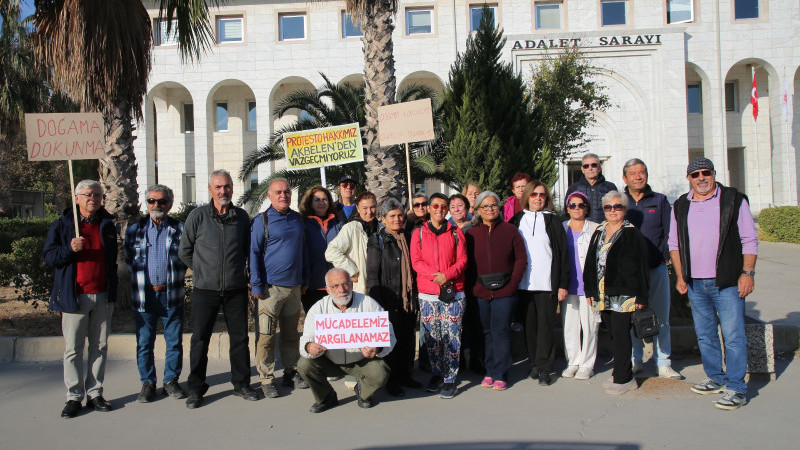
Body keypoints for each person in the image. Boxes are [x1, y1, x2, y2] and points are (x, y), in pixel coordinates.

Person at [669, 157, 758, 410]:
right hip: (696, 283)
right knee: (706, 335)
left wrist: (747, 273)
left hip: (728, 281)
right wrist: (680, 276)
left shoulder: (733, 199)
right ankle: (715, 378)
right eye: (695, 174)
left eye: (705, 173)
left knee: (733, 336)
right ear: (688, 178)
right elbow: (674, 244)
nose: (701, 178)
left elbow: (749, 239)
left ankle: (737, 388)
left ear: (714, 174)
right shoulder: (681, 205)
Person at [179, 170, 259, 408]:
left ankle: (242, 384)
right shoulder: (198, 216)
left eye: (227, 186)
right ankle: (196, 388)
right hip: (205, 290)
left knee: (240, 338)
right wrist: (201, 270)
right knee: (200, 339)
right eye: (218, 187)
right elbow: (185, 250)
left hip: (235, 289)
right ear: (210, 190)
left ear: (232, 188)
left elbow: (248, 250)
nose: (223, 191)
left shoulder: (242, 217)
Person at [42, 180, 117, 418]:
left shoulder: (107, 224)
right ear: (76, 198)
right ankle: (74, 396)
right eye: (87, 194)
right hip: (75, 297)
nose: (93, 198)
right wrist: (69, 248)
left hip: (103, 295)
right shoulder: (63, 224)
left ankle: (95, 393)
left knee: (100, 347)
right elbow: (49, 257)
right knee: (73, 349)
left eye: (97, 194)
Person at [297, 269, 395, 413]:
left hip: (361, 360)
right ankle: (326, 396)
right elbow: (306, 339)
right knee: (304, 364)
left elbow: (390, 335)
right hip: (330, 361)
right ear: (327, 289)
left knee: (380, 373)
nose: (341, 290)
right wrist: (309, 347)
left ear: (351, 284)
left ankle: (363, 392)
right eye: (335, 286)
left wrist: (378, 347)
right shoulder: (318, 308)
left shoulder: (368, 304)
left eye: (345, 284)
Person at [124, 184, 187, 403]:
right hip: (144, 296)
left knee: (174, 342)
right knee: (144, 343)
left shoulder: (180, 228)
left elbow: (187, 256)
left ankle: (171, 381)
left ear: (169, 204)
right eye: (151, 201)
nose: (156, 205)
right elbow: (128, 259)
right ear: (146, 203)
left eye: (161, 201)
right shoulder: (135, 230)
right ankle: (148, 383)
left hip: (172, 294)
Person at [622, 158, 683, 380]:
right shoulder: (620, 202)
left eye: (642, 172)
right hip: (629, 273)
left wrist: (664, 256)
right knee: (631, 316)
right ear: (625, 178)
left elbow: (670, 233)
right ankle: (635, 359)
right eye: (633, 173)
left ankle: (664, 362)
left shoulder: (660, 201)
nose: (638, 176)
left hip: (656, 269)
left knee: (662, 317)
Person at [584, 191, 650, 396]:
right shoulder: (600, 230)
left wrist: (641, 297)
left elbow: (641, 267)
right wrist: (590, 289)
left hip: (624, 294)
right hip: (603, 294)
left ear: (625, 208)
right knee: (612, 333)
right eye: (608, 207)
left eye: (617, 206)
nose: (613, 211)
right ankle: (620, 371)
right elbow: (590, 262)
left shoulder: (631, 233)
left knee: (621, 335)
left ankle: (625, 379)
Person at [249, 178, 310, 398]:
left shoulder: (297, 220)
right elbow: (254, 253)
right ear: (269, 196)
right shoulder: (262, 221)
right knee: (266, 336)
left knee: (291, 334)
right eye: (278, 192)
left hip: (294, 288)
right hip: (269, 290)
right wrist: (256, 284)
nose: (283, 195)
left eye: (286, 192)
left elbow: (303, 251)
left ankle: (290, 371)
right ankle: (266, 378)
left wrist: (305, 278)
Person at [509, 181, 569, 386]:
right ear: (526, 196)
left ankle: (545, 368)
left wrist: (562, 284)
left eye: (542, 195)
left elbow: (562, 254)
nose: (538, 198)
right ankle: (534, 364)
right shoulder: (517, 220)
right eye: (534, 194)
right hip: (524, 285)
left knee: (546, 327)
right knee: (530, 327)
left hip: (547, 285)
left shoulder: (553, 221)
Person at [467, 191, 527, 391]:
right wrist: (473, 286)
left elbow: (521, 259)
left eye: (493, 205)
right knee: (485, 332)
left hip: (505, 292)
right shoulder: (471, 233)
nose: (490, 209)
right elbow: (466, 263)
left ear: (499, 208)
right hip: (480, 291)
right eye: (484, 206)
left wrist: (512, 284)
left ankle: (501, 372)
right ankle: (489, 370)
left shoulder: (510, 230)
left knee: (500, 331)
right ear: (477, 210)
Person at [411, 193, 468, 399]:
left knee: (452, 336)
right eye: (435, 205)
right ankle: (436, 374)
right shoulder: (418, 233)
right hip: (428, 294)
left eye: (444, 206)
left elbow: (462, 260)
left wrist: (447, 275)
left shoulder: (455, 233)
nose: (439, 209)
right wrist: (435, 276)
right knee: (433, 339)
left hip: (453, 292)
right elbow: (416, 261)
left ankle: (450, 378)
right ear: (429, 208)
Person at [366, 198, 420, 396]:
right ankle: (392, 380)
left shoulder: (408, 237)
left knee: (407, 340)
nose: (397, 219)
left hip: (408, 299)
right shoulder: (377, 240)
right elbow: (371, 275)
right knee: (392, 343)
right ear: (383, 219)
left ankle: (406, 375)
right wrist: (378, 304)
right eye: (392, 216)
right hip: (389, 300)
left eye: (400, 215)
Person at [560, 191, 600, 380]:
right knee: (570, 326)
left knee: (590, 326)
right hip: (568, 285)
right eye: (572, 205)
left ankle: (587, 364)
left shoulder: (595, 228)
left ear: (587, 208)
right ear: (567, 208)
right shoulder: (562, 228)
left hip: (589, 287)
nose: (577, 208)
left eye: (581, 205)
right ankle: (573, 361)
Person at [325, 191, 379, 295]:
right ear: (358, 208)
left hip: (380, 287)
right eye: (365, 208)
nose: (369, 211)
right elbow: (331, 252)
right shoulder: (351, 228)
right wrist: (351, 271)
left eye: (372, 207)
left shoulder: (381, 228)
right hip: (361, 288)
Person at [300, 185, 343, 312]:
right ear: (310, 203)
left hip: (336, 285)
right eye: (317, 200)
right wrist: (304, 280)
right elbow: (301, 253)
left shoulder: (339, 223)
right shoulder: (302, 224)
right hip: (312, 285)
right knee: (316, 325)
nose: (321, 203)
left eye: (325, 199)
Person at [566, 153, 618, 223]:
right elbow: (567, 211)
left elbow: (617, 210)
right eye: (586, 166)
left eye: (594, 165)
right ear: (582, 169)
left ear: (599, 167)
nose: (590, 168)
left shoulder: (610, 187)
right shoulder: (574, 188)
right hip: (582, 229)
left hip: (604, 229)